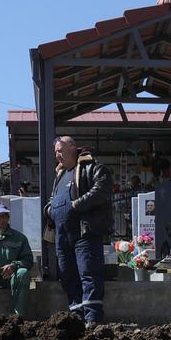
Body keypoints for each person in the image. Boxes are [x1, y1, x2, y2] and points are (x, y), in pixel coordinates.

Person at [47, 135, 112, 328]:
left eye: (60, 150)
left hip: (85, 233)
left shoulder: (92, 167)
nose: (57, 155)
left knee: (89, 273)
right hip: (62, 235)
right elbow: (52, 199)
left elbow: (102, 189)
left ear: (72, 148)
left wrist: (75, 205)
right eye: (56, 152)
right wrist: (49, 210)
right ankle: (77, 316)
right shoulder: (59, 175)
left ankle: (92, 319)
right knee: (67, 276)